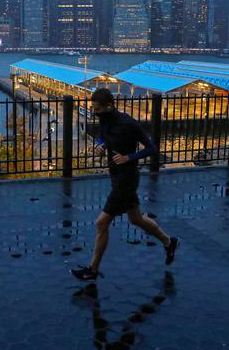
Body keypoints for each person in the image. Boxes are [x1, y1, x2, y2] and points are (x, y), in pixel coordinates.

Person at [71, 88, 179, 281]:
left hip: (127, 179)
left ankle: (92, 270)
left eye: (97, 109)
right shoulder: (105, 120)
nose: (94, 112)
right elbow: (105, 137)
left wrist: (129, 157)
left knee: (101, 223)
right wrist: (102, 147)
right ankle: (169, 242)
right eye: (93, 109)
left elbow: (152, 149)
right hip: (116, 176)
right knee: (136, 219)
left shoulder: (128, 123)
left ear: (109, 106)